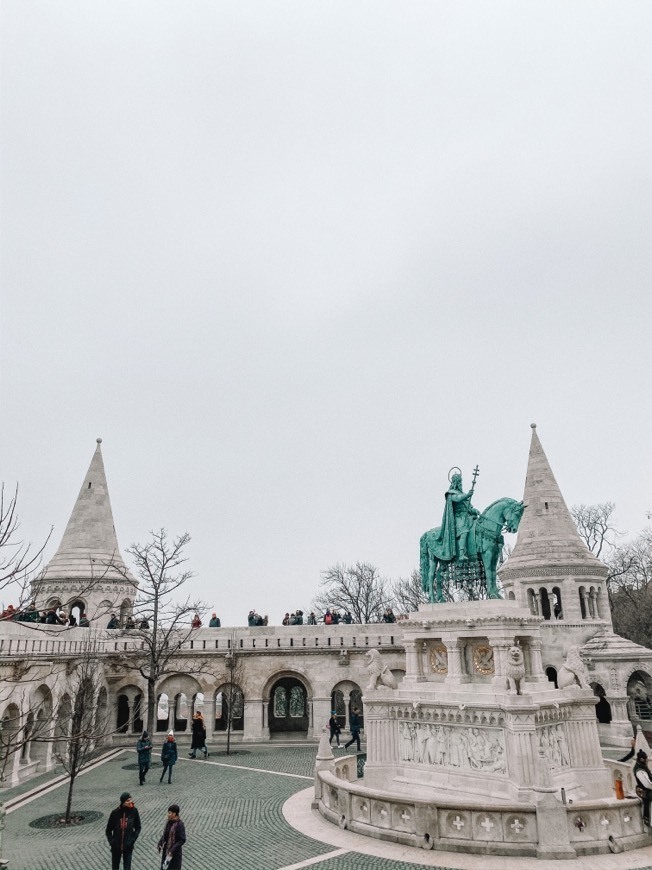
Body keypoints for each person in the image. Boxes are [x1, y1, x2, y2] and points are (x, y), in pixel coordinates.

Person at [437, 471, 479, 561]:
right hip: (458, 518)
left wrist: (475, 511)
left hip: (467, 517)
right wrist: (467, 495)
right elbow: (457, 499)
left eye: (461, 481)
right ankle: (461, 554)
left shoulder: (463, 494)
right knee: (464, 531)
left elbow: (469, 508)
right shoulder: (451, 493)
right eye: (459, 481)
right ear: (455, 482)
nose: (460, 483)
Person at [105, 791, 141, 870]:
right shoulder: (115, 813)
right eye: (127, 800)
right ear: (123, 802)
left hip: (128, 847)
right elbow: (108, 830)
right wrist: (112, 842)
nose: (130, 802)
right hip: (116, 847)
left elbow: (138, 827)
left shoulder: (134, 811)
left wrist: (132, 840)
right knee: (115, 867)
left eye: (130, 799)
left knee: (127, 868)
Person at [157, 803, 186, 870]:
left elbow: (182, 840)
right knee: (164, 868)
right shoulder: (169, 822)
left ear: (174, 814)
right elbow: (165, 834)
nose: (168, 814)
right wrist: (160, 843)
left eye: (169, 813)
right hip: (166, 852)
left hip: (175, 854)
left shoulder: (180, 825)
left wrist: (172, 850)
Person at [634, 749, 652, 825]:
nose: (647, 761)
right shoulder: (639, 770)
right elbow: (647, 784)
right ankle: (647, 818)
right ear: (642, 759)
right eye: (646, 760)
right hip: (644, 791)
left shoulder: (643, 767)